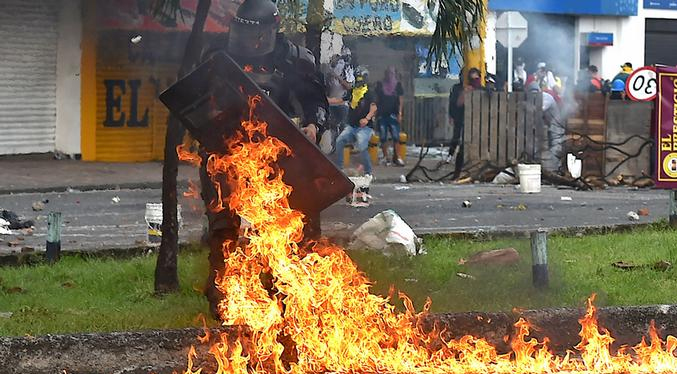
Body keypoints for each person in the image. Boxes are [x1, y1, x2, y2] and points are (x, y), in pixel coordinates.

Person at [198, 0, 329, 318]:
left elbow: (316, 103)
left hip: (279, 159)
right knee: (222, 227)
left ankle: (288, 294)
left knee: (296, 225)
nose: (248, 42)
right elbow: (197, 97)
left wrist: (313, 125)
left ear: (273, 30)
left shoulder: (296, 60)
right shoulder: (216, 55)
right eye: (242, 33)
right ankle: (224, 297)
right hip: (227, 155)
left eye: (255, 36)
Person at [334, 66, 377, 177]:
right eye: (357, 76)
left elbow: (374, 108)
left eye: (360, 77)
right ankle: (339, 169)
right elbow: (340, 100)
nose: (358, 79)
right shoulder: (353, 91)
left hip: (365, 128)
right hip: (352, 126)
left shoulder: (369, 92)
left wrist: (367, 118)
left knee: (362, 145)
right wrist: (326, 100)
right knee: (339, 141)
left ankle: (368, 172)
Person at [448, 67, 482, 179]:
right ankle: (456, 169)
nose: (475, 82)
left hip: (480, 124)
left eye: (476, 79)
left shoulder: (482, 90)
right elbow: (456, 103)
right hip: (463, 119)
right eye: (472, 79)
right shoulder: (461, 89)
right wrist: (465, 93)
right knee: (460, 142)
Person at [323, 49, 355, 153]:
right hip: (331, 102)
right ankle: (334, 148)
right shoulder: (328, 68)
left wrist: (337, 77)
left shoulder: (346, 68)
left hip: (342, 103)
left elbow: (349, 86)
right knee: (332, 126)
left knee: (342, 127)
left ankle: (343, 151)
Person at [375, 66, 405, 166]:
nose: (389, 75)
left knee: (396, 137)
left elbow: (400, 100)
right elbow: (377, 99)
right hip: (382, 114)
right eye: (388, 73)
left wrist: (400, 113)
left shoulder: (398, 85)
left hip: (393, 114)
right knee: (383, 137)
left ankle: (397, 157)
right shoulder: (380, 85)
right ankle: (385, 157)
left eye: (391, 73)